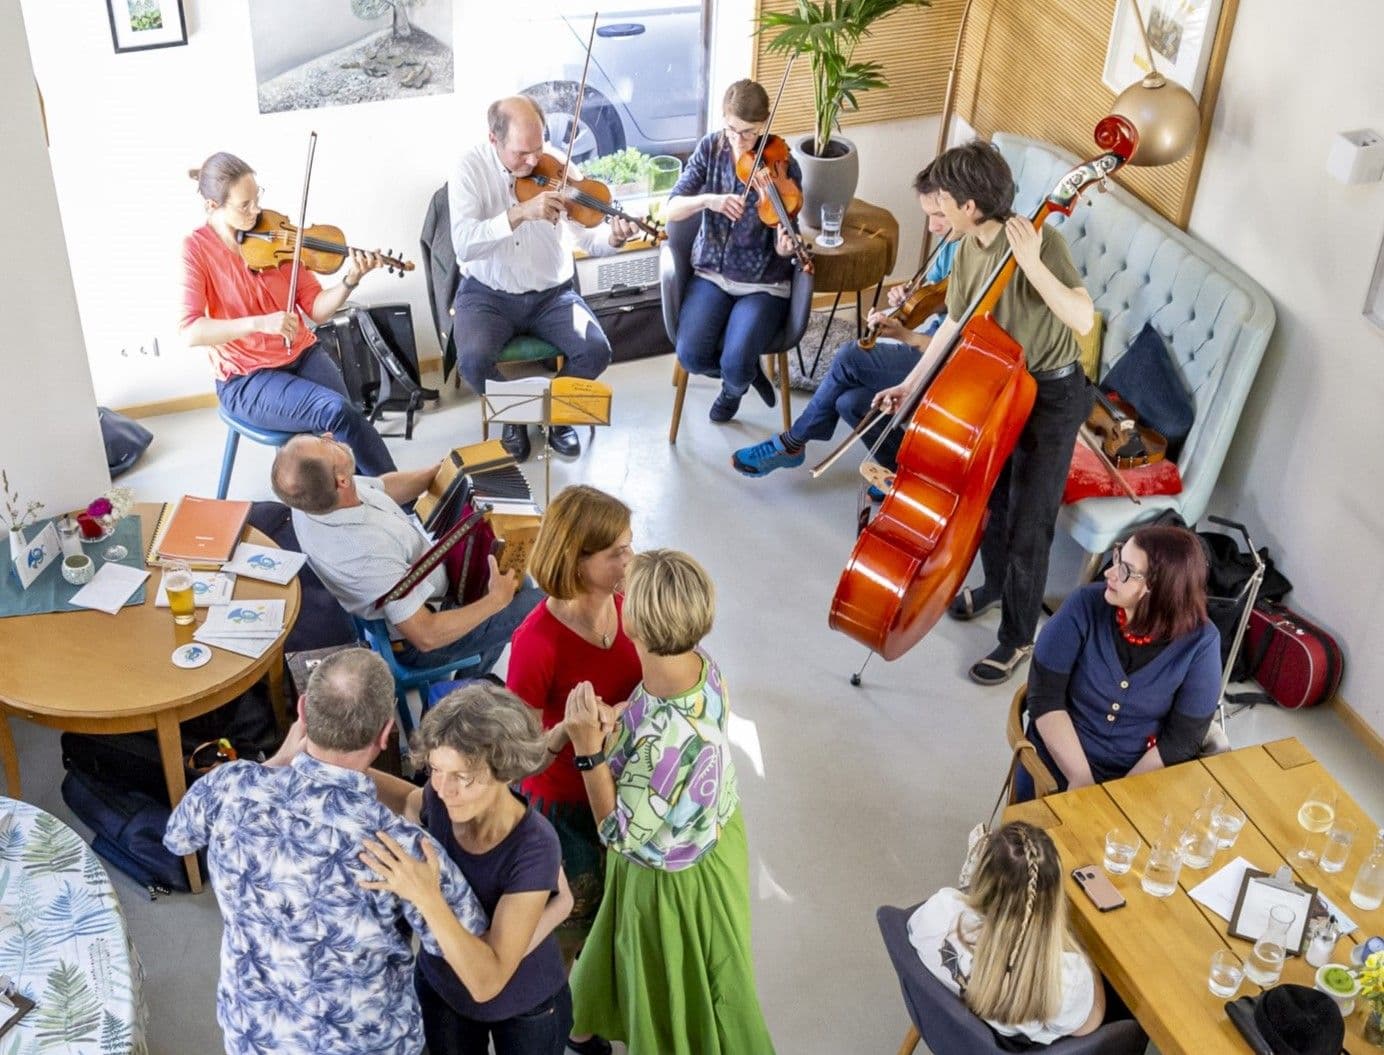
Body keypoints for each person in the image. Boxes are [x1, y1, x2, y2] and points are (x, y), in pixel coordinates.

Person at [163, 649, 488, 1055]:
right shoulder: (404, 849)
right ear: (385, 734)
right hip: (368, 1044)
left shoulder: (231, 785)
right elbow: (468, 945)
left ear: (302, 710)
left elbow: (177, 837)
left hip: (254, 1035)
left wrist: (277, 761)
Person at [872, 140, 1097, 686]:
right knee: (992, 501)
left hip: (1051, 394)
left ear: (969, 205)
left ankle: (1019, 638)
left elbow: (1082, 318)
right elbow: (955, 323)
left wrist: (1030, 263)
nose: (933, 220)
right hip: (1001, 388)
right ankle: (997, 586)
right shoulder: (969, 247)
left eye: (938, 208)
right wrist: (909, 386)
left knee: (1029, 523)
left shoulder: (1041, 241)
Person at [563, 549, 776, 1054]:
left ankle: (590, 1028)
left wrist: (589, 751)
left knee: (665, 983)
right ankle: (582, 1023)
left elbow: (617, 833)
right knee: (615, 946)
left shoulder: (668, 740)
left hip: (667, 878)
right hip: (714, 833)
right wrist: (623, 717)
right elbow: (659, 716)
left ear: (633, 623)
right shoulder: (699, 664)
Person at [358, 684, 577, 1055]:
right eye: (436, 769)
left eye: (463, 777)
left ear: (506, 771)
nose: (443, 789)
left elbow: (487, 982)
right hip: (443, 992)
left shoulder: (535, 846)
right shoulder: (441, 797)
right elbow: (409, 799)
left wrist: (426, 897)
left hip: (522, 1004)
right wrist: (330, 765)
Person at [181, 151, 397, 476]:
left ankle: (370, 496)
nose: (256, 211)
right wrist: (259, 324)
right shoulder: (196, 249)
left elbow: (317, 310)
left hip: (302, 353)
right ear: (213, 206)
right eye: (244, 206)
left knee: (344, 429)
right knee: (335, 412)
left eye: (257, 198)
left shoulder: (276, 236)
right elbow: (191, 331)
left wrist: (350, 280)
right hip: (247, 377)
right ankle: (397, 497)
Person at [450, 96, 639, 463]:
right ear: (493, 139)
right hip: (488, 294)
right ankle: (517, 419)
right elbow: (465, 244)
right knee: (472, 360)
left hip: (552, 295)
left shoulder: (556, 164)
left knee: (596, 350)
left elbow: (590, 239)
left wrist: (614, 239)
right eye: (522, 153)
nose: (534, 161)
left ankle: (554, 417)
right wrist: (520, 212)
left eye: (538, 148)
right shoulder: (468, 169)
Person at [732, 179, 958, 478]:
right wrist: (910, 298)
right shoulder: (952, 242)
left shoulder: (979, 259)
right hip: (930, 340)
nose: (932, 227)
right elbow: (940, 299)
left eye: (939, 215)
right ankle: (901, 472)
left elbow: (959, 344)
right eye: (929, 215)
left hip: (948, 362)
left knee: (851, 356)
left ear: (965, 205)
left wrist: (905, 335)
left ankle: (792, 443)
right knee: (849, 402)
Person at [504, 485, 641, 962]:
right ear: (576, 561)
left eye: (630, 545)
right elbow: (517, 759)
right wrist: (567, 730)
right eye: (616, 552)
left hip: (626, 786)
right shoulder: (535, 643)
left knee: (620, 912)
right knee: (574, 925)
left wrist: (624, 711)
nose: (631, 560)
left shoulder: (627, 605)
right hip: (567, 806)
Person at [272, 432, 542, 673]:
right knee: (539, 600)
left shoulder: (315, 496)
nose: (329, 435)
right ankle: (469, 684)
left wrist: (436, 473)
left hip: (423, 575)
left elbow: (382, 488)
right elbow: (425, 636)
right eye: (325, 444)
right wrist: (495, 601)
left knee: (513, 573)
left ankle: (475, 673)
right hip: (422, 630)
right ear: (341, 481)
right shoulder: (366, 553)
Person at [1014, 525, 1221, 801]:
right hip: (1058, 760)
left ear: (1158, 588)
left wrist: (1120, 794)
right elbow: (1045, 698)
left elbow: (1182, 739)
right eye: (1117, 558)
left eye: (1125, 570)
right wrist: (1081, 778)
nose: (1110, 573)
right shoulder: (1083, 605)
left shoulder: (1202, 642)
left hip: (1140, 777)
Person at [662, 79, 804, 424]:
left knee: (736, 362)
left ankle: (733, 388)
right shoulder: (711, 148)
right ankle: (747, 375)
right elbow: (672, 208)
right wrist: (709, 200)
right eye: (731, 129)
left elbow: (788, 234)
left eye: (749, 132)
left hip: (763, 284)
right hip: (711, 275)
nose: (739, 140)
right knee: (691, 356)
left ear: (764, 124)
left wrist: (785, 247)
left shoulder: (783, 163)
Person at [907, 821, 1106, 1044]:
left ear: (982, 874)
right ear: (1054, 901)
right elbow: (1091, 1023)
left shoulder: (939, 910)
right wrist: (1076, 945)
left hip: (940, 1027)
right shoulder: (1065, 981)